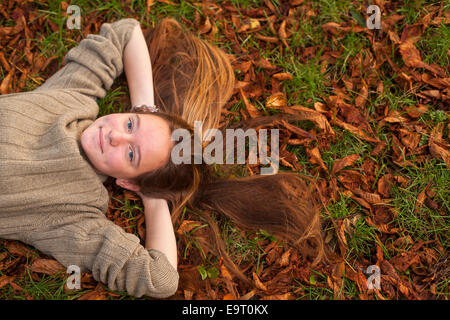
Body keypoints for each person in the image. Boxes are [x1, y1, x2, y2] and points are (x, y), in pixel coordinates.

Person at [0, 17, 327, 299]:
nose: (114, 135)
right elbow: (126, 32)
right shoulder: (75, 98)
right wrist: (145, 107)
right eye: (130, 124)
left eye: (131, 153)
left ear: (127, 180)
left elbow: (161, 278)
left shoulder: (76, 214)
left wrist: (153, 197)